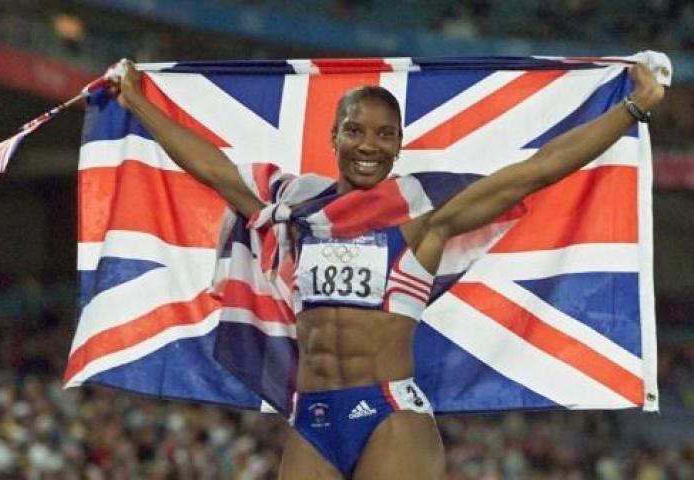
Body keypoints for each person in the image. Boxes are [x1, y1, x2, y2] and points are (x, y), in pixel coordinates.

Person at [111, 60, 665, 480]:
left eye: (383, 134)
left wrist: (633, 108)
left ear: (399, 145)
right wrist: (135, 102)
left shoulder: (425, 223)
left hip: (387, 414)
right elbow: (209, 165)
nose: (367, 146)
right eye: (354, 131)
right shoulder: (294, 213)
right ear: (334, 138)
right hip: (311, 418)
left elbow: (538, 170)